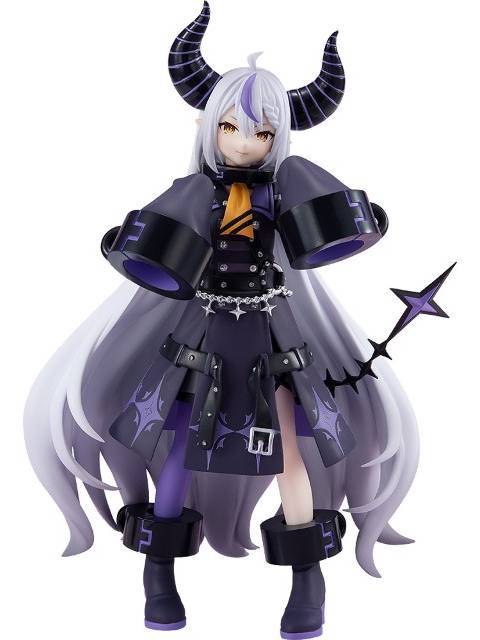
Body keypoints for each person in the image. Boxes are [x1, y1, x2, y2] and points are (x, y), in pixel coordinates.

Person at [24, 3, 419, 639]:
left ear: (278, 138)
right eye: (230, 127)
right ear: (209, 126)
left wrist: (366, 221)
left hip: (271, 340)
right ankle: (158, 572)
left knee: (290, 453)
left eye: (260, 132)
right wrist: (121, 245)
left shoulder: (283, 187)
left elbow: (331, 231)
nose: (242, 142)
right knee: (179, 449)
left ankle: (308, 580)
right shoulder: (197, 192)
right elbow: (149, 251)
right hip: (200, 339)